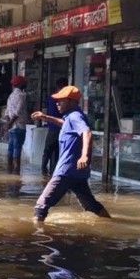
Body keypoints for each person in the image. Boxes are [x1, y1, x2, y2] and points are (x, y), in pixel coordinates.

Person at [30, 86, 111, 223]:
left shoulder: (75, 116)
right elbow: (65, 124)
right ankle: (111, 224)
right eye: (57, 101)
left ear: (72, 102)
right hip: (77, 173)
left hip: (66, 171)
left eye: (61, 101)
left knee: (41, 206)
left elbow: (87, 133)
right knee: (91, 205)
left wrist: (84, 155)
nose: (57, 103)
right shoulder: (72, 117)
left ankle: (35, 237)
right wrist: (46, 118)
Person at [42, 77, 69, 175]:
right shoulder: (60, 99)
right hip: (58, 128)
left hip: (54, 128)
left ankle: (45, 172)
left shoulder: (52, 97)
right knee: (54, 151)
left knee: (49, 151)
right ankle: (47, 172)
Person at [4, 75, 28, 173]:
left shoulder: (11, 96)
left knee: (11, 149)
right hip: (19, 127)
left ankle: (9, 170)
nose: (26, 84)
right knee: (17, 150)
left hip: (12, 128)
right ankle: (16, 172)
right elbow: (17, 112)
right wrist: (10, 123)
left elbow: (7, 113)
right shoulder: (22, 96)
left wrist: (8, 124)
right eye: (25, 83)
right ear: (20, 84)